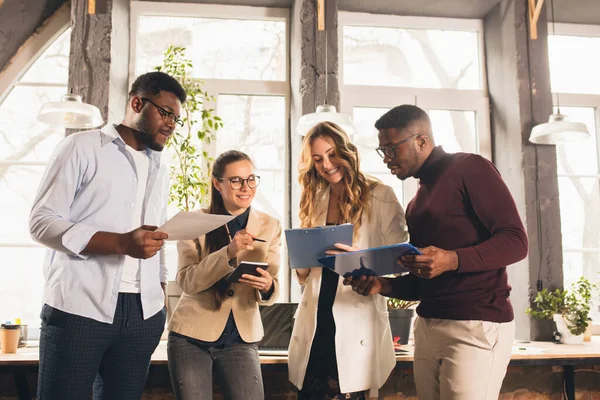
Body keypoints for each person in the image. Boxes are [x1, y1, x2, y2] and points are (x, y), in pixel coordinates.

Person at [345, 105, 529, 400]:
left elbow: (516, 240)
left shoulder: (470, 167)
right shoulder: (416, 201)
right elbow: (426, 277)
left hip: (475, 325)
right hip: (428, 326)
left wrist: (451, 259)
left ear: (421, 140)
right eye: (383, 151)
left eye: (392, 149)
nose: (387, 160)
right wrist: (384, 284)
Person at [29, 71, 187, 399]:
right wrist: (119, 242)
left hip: (142, 316)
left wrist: (158, 296)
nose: (172, 124)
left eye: (177, 119)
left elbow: (157, 232)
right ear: (136, 103)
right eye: (166, 112)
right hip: (78, 310)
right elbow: (41, 222)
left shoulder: (162, 166)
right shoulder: (80, 147)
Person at [288, 121, 408, 399]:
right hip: (317, 320)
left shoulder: (381, 195)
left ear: (346, 152)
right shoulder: (314, 197)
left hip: (356, 321)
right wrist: (302, 259)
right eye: (317, 159)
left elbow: (401, 260)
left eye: (332, 154)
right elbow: (306, 276)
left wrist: (359, 259)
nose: (326, 165)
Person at [167, 150, 281, 400]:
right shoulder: (193, 222)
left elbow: (272, 285)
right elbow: (187, 280)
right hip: (190, 337)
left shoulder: (270, 225)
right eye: (236, 180)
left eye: (251, 179)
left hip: (241, 337)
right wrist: (228, 253)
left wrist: (267, 285)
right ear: (217, 183)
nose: (246, 187)